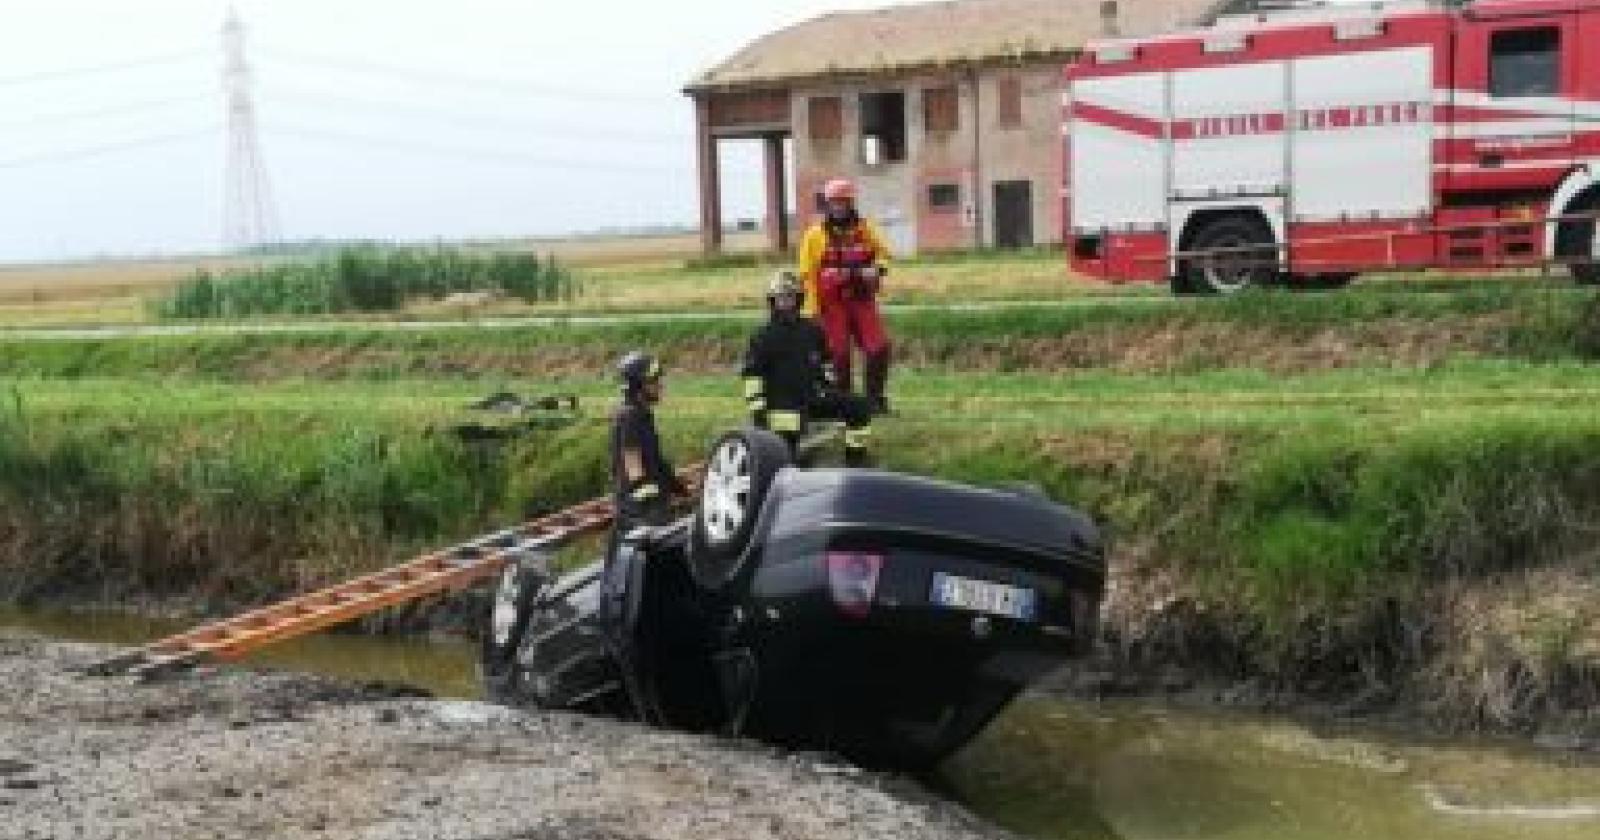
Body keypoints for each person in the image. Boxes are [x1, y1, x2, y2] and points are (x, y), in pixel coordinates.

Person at [743, 271, 873, 467]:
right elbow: (752, 376)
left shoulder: (812, 330)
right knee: (791, 460)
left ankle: (856, 459)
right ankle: (794, 459)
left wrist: (829, 387)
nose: (786, 302)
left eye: (790, 297)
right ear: (772, 301)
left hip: (812, 397)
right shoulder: (763, 336)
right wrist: (758, 411)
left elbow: (826, 363)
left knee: (858, 406)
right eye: (781, 298)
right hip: (781, 407)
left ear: (799, 299)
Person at [798, 177, 894, 414]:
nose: (839, 207)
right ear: (827, 205)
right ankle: (844, 404)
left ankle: (874, 400)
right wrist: (811, 309)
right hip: (831, 304)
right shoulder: (814, 235)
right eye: (835, 202)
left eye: (843, 202)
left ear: (851, 203)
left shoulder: (865, 229)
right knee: (837, 354)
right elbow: (807, 274)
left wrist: (877, 269)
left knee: (879, 348)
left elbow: (884, 255)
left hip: (862, 299)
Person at [609, 350, 687, 529]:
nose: (660, 385)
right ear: (638, 386)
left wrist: (676, 486)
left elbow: (655, 461)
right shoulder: (630, 417)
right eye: (654, 381)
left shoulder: (642, 414)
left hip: (649, 508)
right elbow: (634, 468)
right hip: (638, 514)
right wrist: (652, 509)